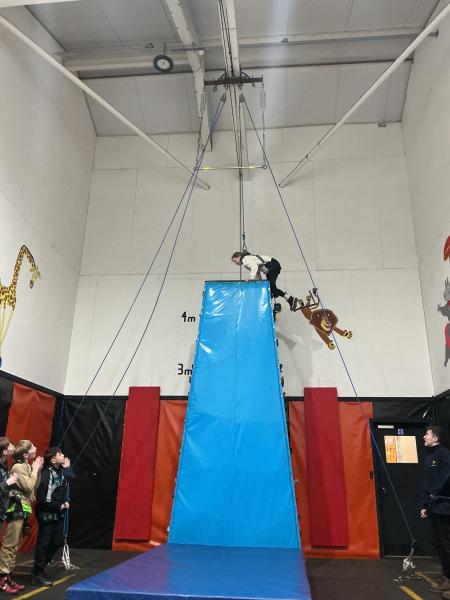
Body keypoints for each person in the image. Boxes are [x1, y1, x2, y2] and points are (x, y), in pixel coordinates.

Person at [0, 440, 42, 594]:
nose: (35, 448)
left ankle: (8, 575)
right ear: (25, 454)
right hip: (15, 507)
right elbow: (28, 486)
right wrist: (35, 470)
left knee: (15, 545)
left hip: (23, 507)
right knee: (9, 544)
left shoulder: (25, 466)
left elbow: (33, 489)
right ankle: (2, 576)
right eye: (32, 447)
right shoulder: (18, 467)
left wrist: (36, 471)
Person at [31, 447, 74, 587]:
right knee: (43, 543)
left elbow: (71, 479)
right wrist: (58, 505)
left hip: (57, 512)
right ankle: (37, 573)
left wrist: (65, 501)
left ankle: (42, 567)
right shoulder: (47, 473)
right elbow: (43, 497)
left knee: (57, 541)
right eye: (60, 454)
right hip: (46, 512)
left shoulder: (61, 472)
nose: (63, 455)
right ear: (53, 460)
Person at [420, 425, 450, 595]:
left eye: (427, 434)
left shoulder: (444, 455)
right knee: (438, 544)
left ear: (435, 438)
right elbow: (428, 483)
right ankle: (447, 577)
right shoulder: (429, 457)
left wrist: (435, 493)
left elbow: (445, 477)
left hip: (445, 507)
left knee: (447, 544)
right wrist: (424, 505)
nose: (424, 437)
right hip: (433, 507)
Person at [231, 251, 296, 312]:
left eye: (235, 261)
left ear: (239, 257)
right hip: (271, 266)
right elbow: (257, 272)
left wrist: (250, 278)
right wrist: (260, 282)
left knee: (271, 284)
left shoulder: (245, 259)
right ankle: (289, 298)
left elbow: (254, 267)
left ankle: (277, 303)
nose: (235, 263)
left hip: (272, 265)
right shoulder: (247, 260)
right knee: (271, 286)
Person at [0, 438, 19, 595]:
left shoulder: (4, 465)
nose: (14, 446)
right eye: (11, 445)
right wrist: (8, 482)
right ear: (5, 451)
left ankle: (5, 579)